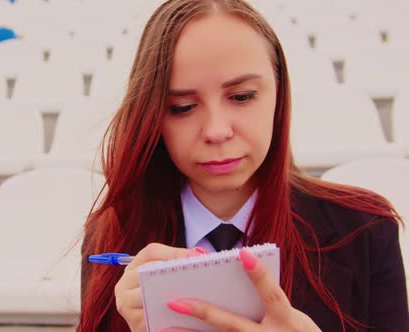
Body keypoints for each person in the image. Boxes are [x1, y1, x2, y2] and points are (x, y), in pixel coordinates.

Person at [77, 0, 409, 331]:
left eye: (241, 97)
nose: (217, 131)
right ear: (152, 117)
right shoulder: (112, 234)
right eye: (182, 107)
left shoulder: (365, 229)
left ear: (279, 94)